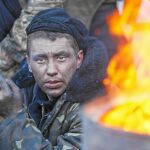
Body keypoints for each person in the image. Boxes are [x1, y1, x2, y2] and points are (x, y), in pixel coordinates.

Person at [0, 8, 108, 149]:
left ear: (79, 59)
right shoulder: (21, 91)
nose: (51, 70)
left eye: (61, 58)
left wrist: (13, 117)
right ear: (29, 63)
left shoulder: (98, 108)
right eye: (41, 60)